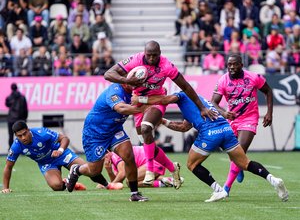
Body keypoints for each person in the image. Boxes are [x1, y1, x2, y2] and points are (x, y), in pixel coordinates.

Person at [131, 92, 288, 202]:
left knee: (191, 164)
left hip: (210, 132)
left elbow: (165, 99)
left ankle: (219, 190)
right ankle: (274, 180)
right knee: (244, 163)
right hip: (225, 129)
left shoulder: (181, 94)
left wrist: (141, 99)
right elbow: (184, 127)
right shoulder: (198, 100)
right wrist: (164, 121)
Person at [104, 40, 217, 188]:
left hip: (157, 100)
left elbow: (185, 86)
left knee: (146, 128)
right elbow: (108, 74)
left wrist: (201, 107)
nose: (151, 58)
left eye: (155, 55)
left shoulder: (166, 66)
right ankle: (172, 168)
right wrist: (127, 80)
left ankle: (150, 171)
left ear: (160, 54)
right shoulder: (135, 59)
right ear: (144, 53)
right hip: (138, 102)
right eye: (149, 55)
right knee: (146, 141)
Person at [65, 83, 149, 202]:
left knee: (129, 156)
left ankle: (134, 194)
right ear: (124, 82)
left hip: (115, 130)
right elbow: (121, 108)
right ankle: (77, 170)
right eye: (132, 81)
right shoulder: (114, 91)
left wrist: (158, 97)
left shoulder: (137, 92)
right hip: (95, 133)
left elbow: (150, 99)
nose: (136, 84)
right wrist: (143, 108)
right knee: (94, 171)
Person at [211, 54, 274, 195]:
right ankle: (238, 167)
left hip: (249, 119)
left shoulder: (253, 77)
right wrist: (224, 113)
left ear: (241, 65)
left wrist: (269, 112)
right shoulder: (223, 80)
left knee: (239, 151)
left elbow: (268, 91)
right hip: (232, 119)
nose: (232, 67)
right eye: (229, 64)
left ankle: (226, 188)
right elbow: (213, 102)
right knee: (232, 154)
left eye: (235, 64)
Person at [1, 121, 86, 193]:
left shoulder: (41, 133)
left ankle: (100, 183)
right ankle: (69, 183)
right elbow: (8, 167)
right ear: (16, 136)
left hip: (61, 154)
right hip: (46, 163)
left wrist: (60, 151)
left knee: (87, 169)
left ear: (28, 130)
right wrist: (5, 188)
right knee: (56, 186)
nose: (23, 138)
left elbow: (65, 139)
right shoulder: (16, 146)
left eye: (24, 134)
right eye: (19, 136)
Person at [101, 146, 184, 188]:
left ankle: (162, 183)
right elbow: (118, 184)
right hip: (156, 163)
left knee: (130, 181)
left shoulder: (114, 155)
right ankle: (168, 181)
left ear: (108, 152)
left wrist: (107, 186)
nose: (102, 159)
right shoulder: (113, 161)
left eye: (102, 156)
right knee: (132, 181)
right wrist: (109, 171)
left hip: (154, 162)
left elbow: (122, 174)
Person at [5, 83, 28, 148]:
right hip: (20, 119)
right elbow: (25, 109)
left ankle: (11, 150)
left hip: (11, 119)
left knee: (11, 135)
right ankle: (23, 149)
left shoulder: (9, 97)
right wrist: (25, 118)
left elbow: (7, 104)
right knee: (22, 135)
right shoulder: (22, 97)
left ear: (11, 88)